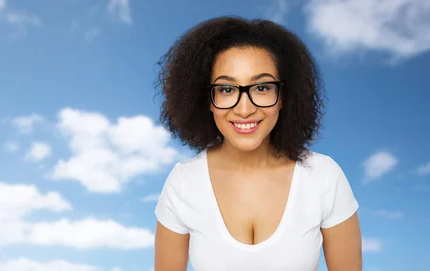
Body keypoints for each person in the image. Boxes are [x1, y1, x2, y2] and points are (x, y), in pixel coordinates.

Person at [153, 16, 362, 271]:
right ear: (207, 98)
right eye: (227, 90)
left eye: (262, 88)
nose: (244, 109)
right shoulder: (183, 183)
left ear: (283, 96)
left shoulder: (324, 178)